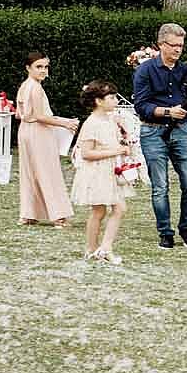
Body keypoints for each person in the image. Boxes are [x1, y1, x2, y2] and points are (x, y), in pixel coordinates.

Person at [132, 22, 187, 250]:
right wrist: (167, 111)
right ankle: (165, 232)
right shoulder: (145, 70)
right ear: (161, 44)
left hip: (179, 129)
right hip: (153, 130)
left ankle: (186, 228)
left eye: (181, 45)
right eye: (173, 45)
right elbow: (141, 106)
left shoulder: (183, 70)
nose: (178, 50)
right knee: (160, 186)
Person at [71, 80, 133, 264]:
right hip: (96, 172)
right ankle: (93, 248)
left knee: (117, 208)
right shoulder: (91, 123)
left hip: (110, 170)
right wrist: (116, 151)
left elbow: (115, 141)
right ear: (99, 101)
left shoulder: (110, 120)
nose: (115, 101)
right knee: (99, 210)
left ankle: (104, 247)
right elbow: (87, 153)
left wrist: (125, 141)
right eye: (111, 97)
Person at [16, 51, 78, 227]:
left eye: (45, 67)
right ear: (28, 68)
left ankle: (29, 214)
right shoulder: (35, 88)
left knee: (30, 172)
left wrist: (62, 121)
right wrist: (64, 124)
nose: (43, 71)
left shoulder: (24, 86)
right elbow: (39, 116)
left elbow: (20, 114)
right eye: (39, 67)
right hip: (38, 132)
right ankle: (58, 215)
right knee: (48, 172)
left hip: (26, 131)